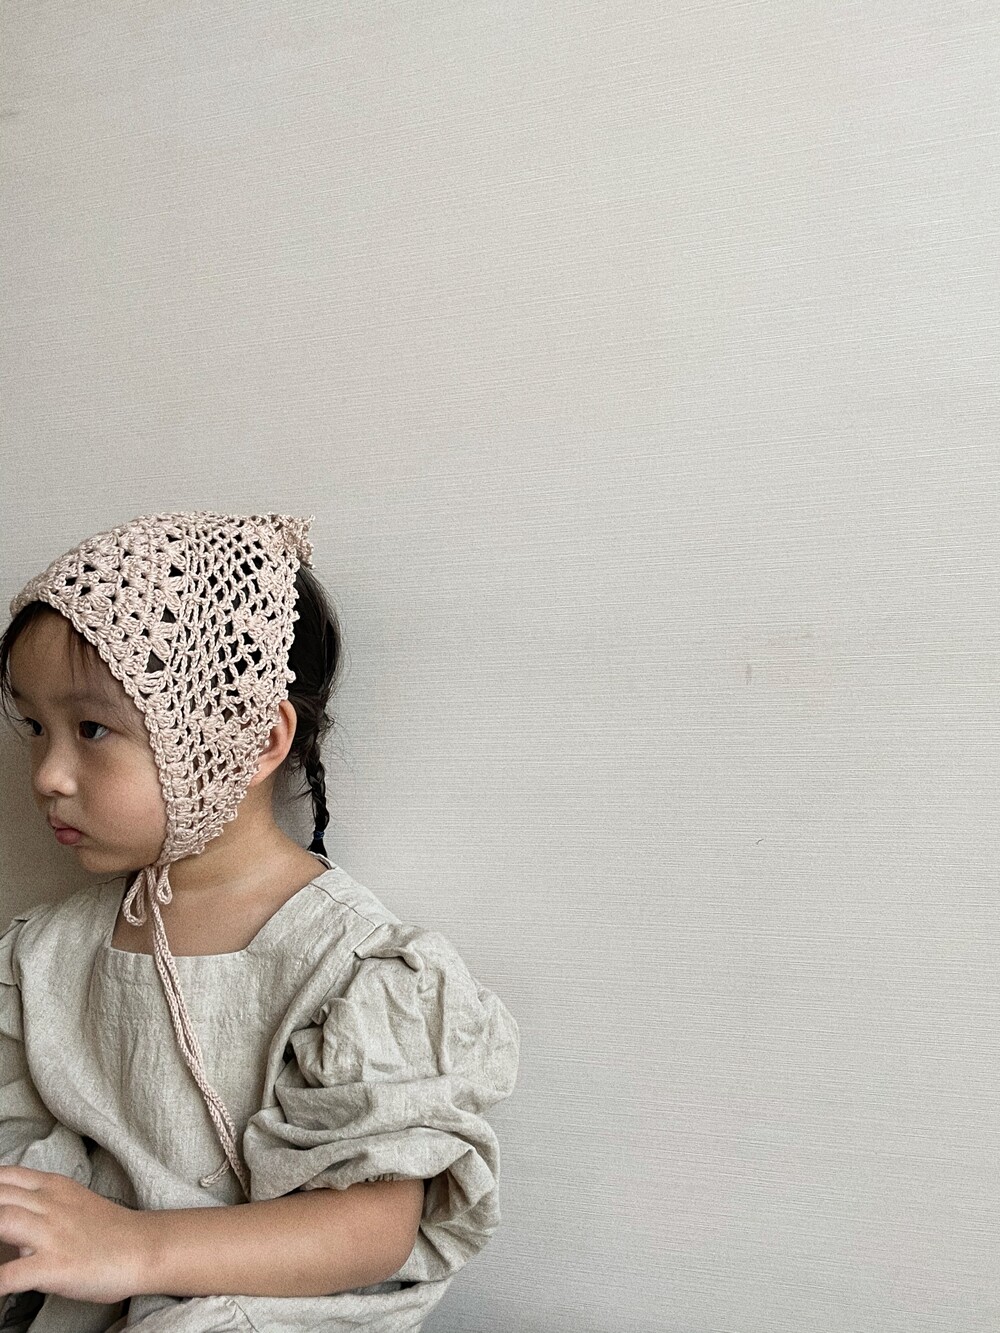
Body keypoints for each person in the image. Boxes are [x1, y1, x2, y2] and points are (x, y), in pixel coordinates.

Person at [0, 511, 519, 1332]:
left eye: (92, 728)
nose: (48, 775)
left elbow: (371, 1229)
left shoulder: (352, 969)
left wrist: (136, 1247)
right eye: (35, 727)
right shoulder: (42, 955)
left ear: (250, 738)